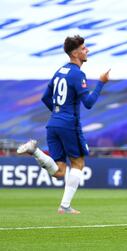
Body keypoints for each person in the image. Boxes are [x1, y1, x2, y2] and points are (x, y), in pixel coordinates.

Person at [17, 35, 111, 214]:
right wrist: (101, 83)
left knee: (60, 171)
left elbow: (45, 97)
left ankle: (35, 150)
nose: (87, 50)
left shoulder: (60, 71)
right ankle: (65, 206)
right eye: (84, 48)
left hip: (53, 123)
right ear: (75, 53)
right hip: (69, 125)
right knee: (78, 163)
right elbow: (89, 103)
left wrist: (58, 113)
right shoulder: (77, 74)